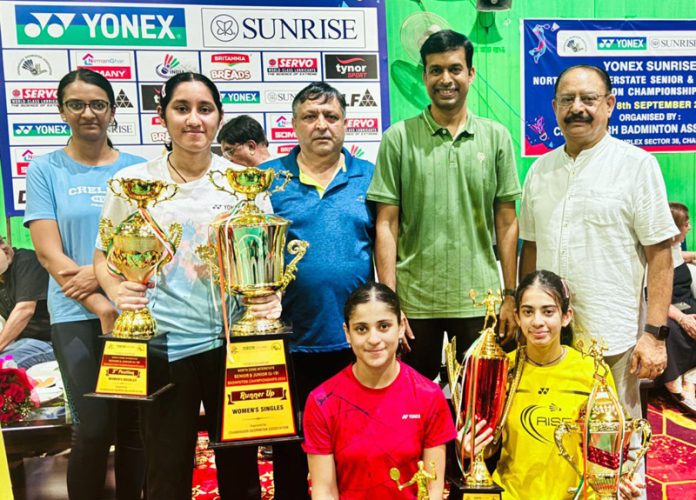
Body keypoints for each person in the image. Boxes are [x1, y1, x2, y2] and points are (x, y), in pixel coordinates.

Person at [94, 72, 280, 500]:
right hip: (166, 347)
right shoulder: (134, 182)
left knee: (242, 473)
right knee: (166, 471)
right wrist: (116, 290)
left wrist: (272, 298)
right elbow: (103, 256)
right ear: (164, 117)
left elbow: (266, 260)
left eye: (205, 109)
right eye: (182, 108)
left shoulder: (241, 183)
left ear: (217, 118)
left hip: (234, 345)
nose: (193, 120)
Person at [518, 64, 678, 424]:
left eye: (589, 99)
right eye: (567, 99)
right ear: (555, 107)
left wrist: (654, 336)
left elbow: (660, 256)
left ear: (609, 105)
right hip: (549, 336)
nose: (577, 108)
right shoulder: (539, 171)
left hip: (611, 338)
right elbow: (530, 249)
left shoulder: (637, 166)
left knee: (615, 439)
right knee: (551, 432)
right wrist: (523, 310)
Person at [367, 29, 521, 381]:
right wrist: (390, 304)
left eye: (455, 68)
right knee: (411, 408)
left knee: (479, 408)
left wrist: (510, 295)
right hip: (415, 302)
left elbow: (507, 221)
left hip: (479, 300)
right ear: (424, 76)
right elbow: (386, 225)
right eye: (435, 70)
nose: (445, 79)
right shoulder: (398, 138)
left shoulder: (496, 137)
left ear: (470, 74)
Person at [24, 68, 145, 500]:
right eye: (77, 104)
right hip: (74, 314)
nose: (88, 113)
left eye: (98, 104)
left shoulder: (139, 170)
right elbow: (47, 252)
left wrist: (99, 274)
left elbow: (147, 245)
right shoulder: (44, 169)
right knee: (92, 428)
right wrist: (98, 301)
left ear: (112, 111)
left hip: (132, 314)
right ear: (62, 111)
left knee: (135, 428)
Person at [259, 81, 376, 499]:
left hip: (355, 341)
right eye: (310, 117)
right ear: (293, 125)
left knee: (354, 442)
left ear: (346, 123)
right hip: (290, 339)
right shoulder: (267, 180)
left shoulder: (370, 178)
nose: (321, 125)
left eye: (331, 117)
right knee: (291, 446)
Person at [461, 270, 643, 500]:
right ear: (517, 317)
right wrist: (470, 447)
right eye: (528, 312)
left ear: (566, 316)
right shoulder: (502, 369)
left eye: (548, 312)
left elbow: (608, 442)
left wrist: (620, 476)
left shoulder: (592, 371)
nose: (538, 321)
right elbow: (489, 445)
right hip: (511, 494)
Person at [303, 282, 456, 499]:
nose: (374, 339)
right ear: (347, 333)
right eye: (361, 329)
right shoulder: (321, 401)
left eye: (383, 326)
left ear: (401, 326)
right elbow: (324, 491)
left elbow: (433, 488)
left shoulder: (429, 396)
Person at [657, 202, 696, 414]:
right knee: (670, 329)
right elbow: (650, 296)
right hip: (668, 307)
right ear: (674, 228)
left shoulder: (675, 248)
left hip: (686, 302)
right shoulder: (656, 253)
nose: (689, 228)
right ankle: (674, 383)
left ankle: (691, 380)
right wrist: (683, 318)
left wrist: (693, 255)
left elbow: (679, 256)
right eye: (686, 224)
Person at [0, 236, 53, 369]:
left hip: (49, 341)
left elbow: (25, 309)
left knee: (2, 365)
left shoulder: (27, 261)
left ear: (5, 249)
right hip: (22, 343)